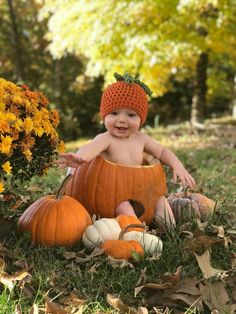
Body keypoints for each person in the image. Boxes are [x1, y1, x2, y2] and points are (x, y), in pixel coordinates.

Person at [57, 72, 196, 226]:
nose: (122, 120)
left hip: (143, 189)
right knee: (123, 206)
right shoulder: (106, 139)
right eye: (114, 113)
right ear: (104, 116)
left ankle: (170, 233)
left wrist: (177, 166)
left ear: (141, 119)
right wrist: (80, 159)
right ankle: (136, 233)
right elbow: (90, 148)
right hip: (115, 195)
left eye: (131, 115)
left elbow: (162, 152)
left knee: (161, 201)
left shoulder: (142, 139)